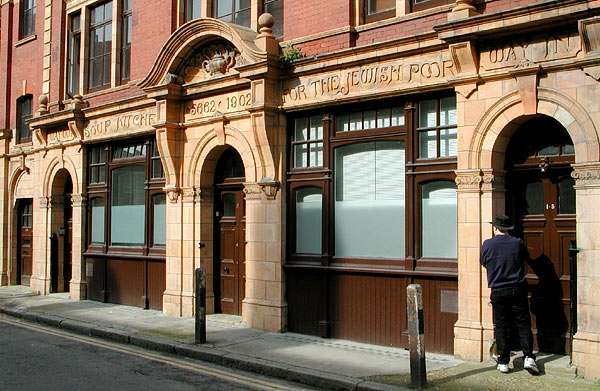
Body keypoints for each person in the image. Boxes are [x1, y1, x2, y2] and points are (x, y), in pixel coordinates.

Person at [480, 215, 539, 375]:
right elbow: (524, 258)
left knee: (501, 326)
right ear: (508, 228)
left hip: (498, 290)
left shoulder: (487, 244)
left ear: (495, 228)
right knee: (523, 324)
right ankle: (528, 357)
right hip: (517, 288)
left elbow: (484, 262)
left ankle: (504, 361)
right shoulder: (517, 243)